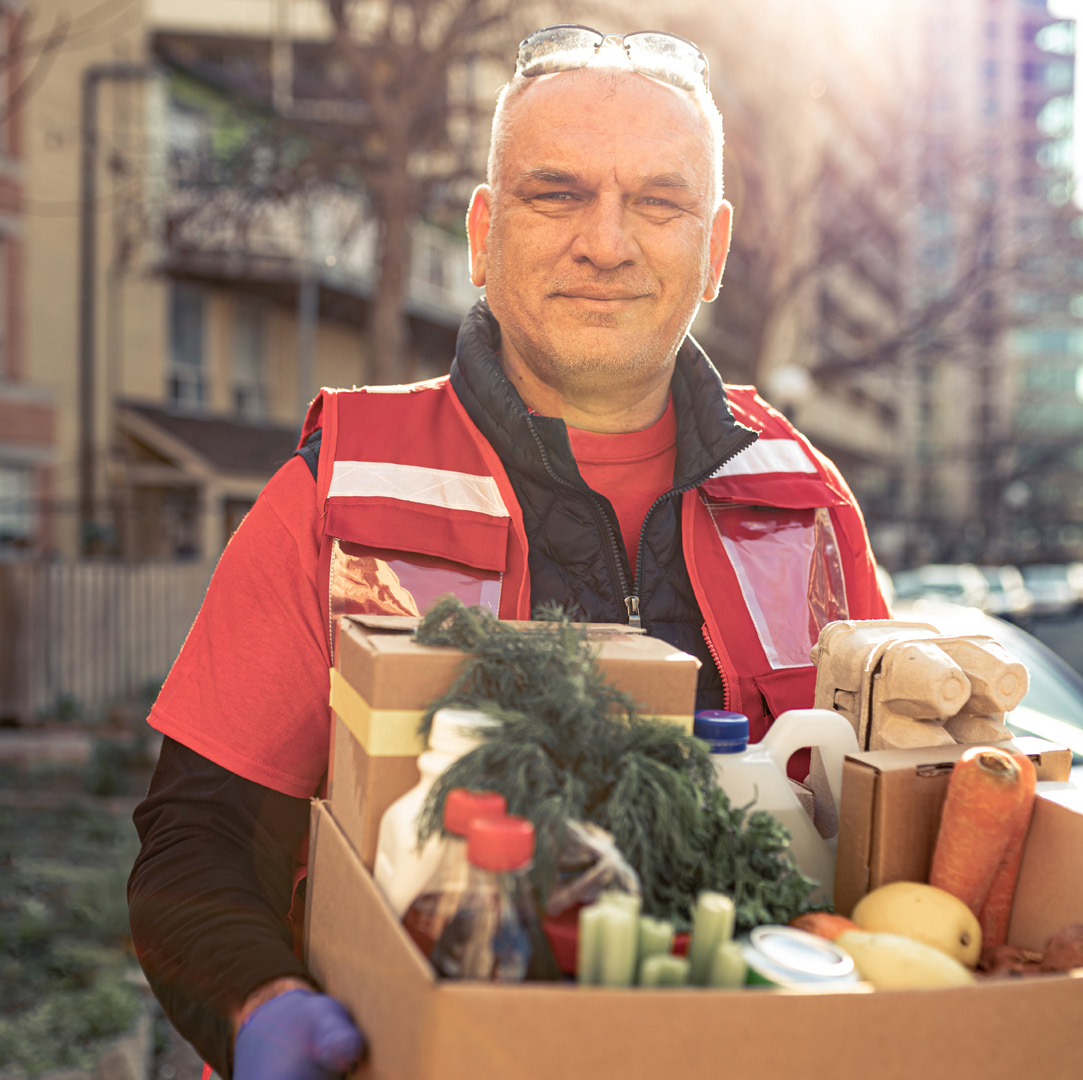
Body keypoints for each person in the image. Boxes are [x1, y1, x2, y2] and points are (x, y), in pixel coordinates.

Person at [128, 25, 889, 1079]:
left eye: (657, 204)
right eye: (558, 193)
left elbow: (886, 836)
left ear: (713, 253)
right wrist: (259, 1004)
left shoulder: (806, 505)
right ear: (484, 234)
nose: (607, 242)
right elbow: (194, 846)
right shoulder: (337, 487)